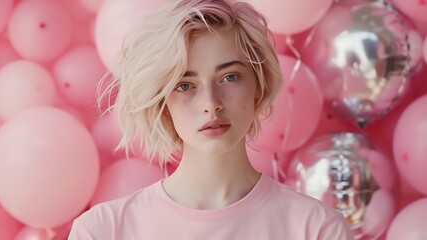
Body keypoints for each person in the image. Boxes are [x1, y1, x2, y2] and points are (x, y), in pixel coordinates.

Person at [68, 0, 354, 239]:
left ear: (258, 86)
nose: (211, 104)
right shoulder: (103, 231)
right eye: (185, 85)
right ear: (163, 102)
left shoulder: (316, 229)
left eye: (229, 77)